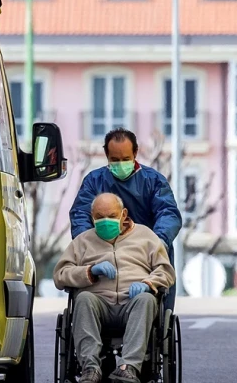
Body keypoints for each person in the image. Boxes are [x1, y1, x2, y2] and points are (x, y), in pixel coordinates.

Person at [54, 192, 176, 383]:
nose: (106, 221)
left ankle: (128, 368)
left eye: (111, 216)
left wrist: (148, 283)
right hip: (99, 304)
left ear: (123, 214)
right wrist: (89, 271)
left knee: (146, 299)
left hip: (133, 302)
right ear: (92, 217)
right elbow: (60, 274)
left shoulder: (146, 236)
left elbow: (166, 271)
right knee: (83, 299)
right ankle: (90, 369)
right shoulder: (82, 241)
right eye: (100, 217)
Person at [70, 128, 181, 310]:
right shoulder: (94, 181)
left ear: (135, 153)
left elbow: (168, 213)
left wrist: (158, 242)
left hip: (145, 254)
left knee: (157, 293)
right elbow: (80, 214)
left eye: (125, 159)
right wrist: (87, 243)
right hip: (102, 251)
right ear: (106, 155)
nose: (120, 164)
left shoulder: (153, 181)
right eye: (114, 160)